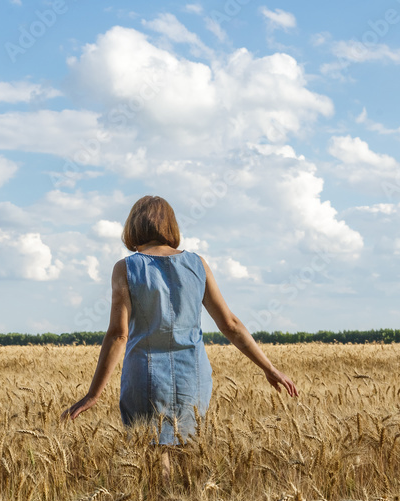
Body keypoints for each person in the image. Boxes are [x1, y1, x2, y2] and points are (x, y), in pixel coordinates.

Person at [60, 195, 299, 472]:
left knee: (152, 458)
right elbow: (230, 324)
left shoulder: (126, 267)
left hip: (144, 376)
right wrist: (269, 368)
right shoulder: (198, 264)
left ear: (133, 227)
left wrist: (93, 394)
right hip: (192, 377)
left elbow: (118, 335)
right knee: (189, 455)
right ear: (171, 226)